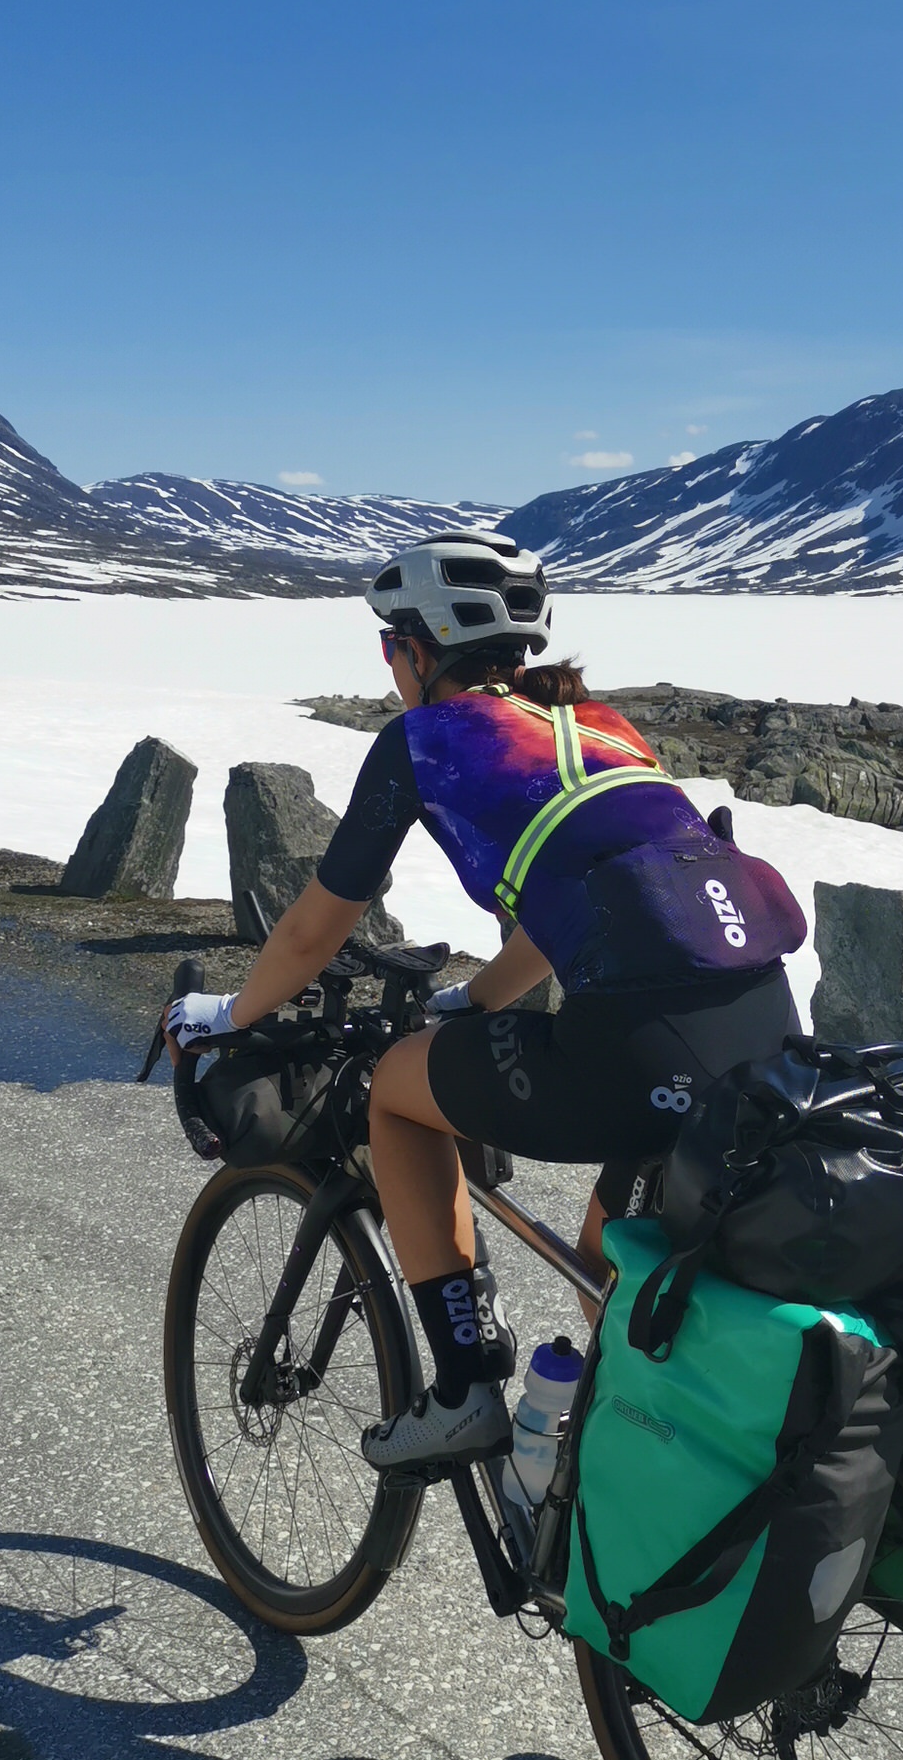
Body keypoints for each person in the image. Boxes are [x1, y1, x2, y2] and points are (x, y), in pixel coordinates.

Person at [165, 530, 806, 1471]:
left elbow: (314, 929)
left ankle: (466, 1388)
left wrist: (231, 1014)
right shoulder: (602, 727)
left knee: (393, 1088)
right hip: (767, 1034)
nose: (389, 667)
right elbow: (576, 908)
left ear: (419, 651)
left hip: (637, 1049)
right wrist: (472, 1000)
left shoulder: (424, 742)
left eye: (390, 647)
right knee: (607, 1268)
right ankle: (647, 1469)